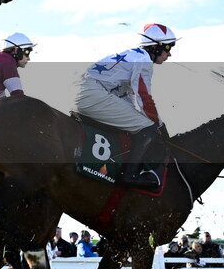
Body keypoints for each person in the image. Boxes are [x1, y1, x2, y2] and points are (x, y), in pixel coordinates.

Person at [74, 23, 178, 191]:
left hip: (84, 91)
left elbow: (127, 97)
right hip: (92, 94)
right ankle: (129, 175)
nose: (170, 54)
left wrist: (143, 118)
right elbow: (144, 97)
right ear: (157, 47)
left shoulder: (134, 55)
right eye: (168, 48)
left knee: (140, 123)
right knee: (148, 129)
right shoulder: (144, 59)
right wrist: (158, 125)